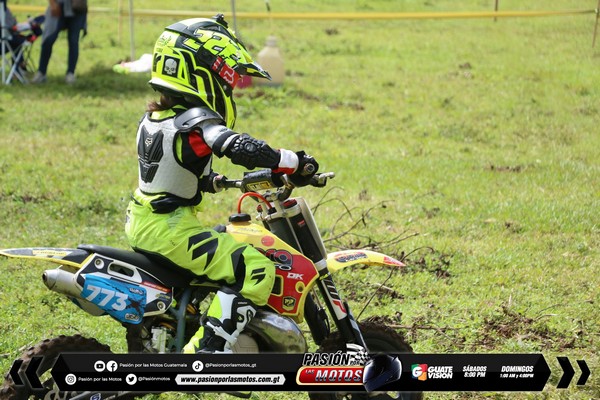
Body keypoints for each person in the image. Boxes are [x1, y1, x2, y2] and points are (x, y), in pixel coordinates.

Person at [124, 15, 319, 353]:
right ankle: (206, 352)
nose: (228, 87)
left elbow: (172, 169)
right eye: (225, 79)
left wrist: (215, 182)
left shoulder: (155, 118)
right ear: (199, 72)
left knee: (227, 242)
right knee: (256, 268)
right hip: (170, 231)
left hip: (144, 221)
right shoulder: (196, 124)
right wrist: (294, 161)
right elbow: (241, 147)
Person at [32, 0, 87, 84]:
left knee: (73, 41)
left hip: (77, 7)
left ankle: (70, 73)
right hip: (58, 5)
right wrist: (52, 3)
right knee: (48, 39)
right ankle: (41, 72)